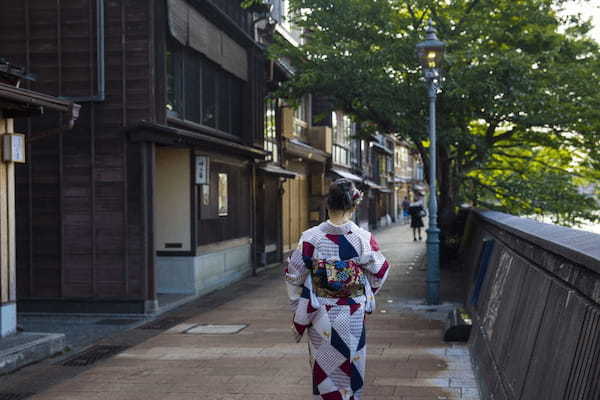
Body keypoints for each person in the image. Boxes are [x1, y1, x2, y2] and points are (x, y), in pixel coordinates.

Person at [284, 178, 390, 400]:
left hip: (320, 313)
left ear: (327, 204)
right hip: (353, 312)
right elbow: (379, 272)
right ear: (353, 206)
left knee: (324, 368)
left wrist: (298, 305)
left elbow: (294, 275)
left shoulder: (311, 237)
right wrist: (364, 291)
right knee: (352, 365)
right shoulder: (363, 238)